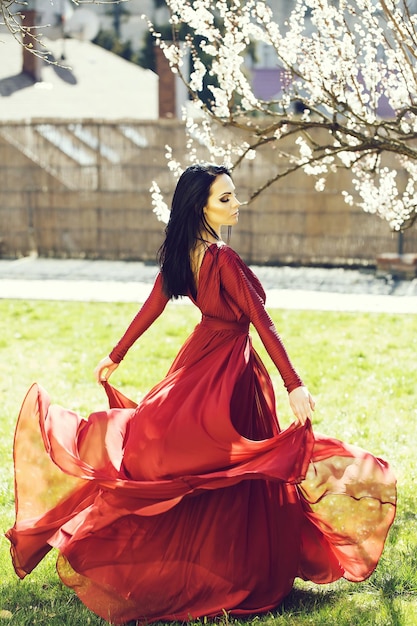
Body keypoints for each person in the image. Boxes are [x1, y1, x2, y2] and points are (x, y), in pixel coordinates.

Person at [7, 163, 396, 625]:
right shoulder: (220, 258)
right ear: (201, 206)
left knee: (215, 464)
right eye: (225, 198)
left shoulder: (184, 252)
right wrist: (295, 384)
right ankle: (234, 569)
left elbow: (155, 304)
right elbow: (260, 321)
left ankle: (220, 561)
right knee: (232, 465)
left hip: (202, 360)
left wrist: (118, 353)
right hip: (225, 368)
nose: (237, 204)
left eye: (234, 195)